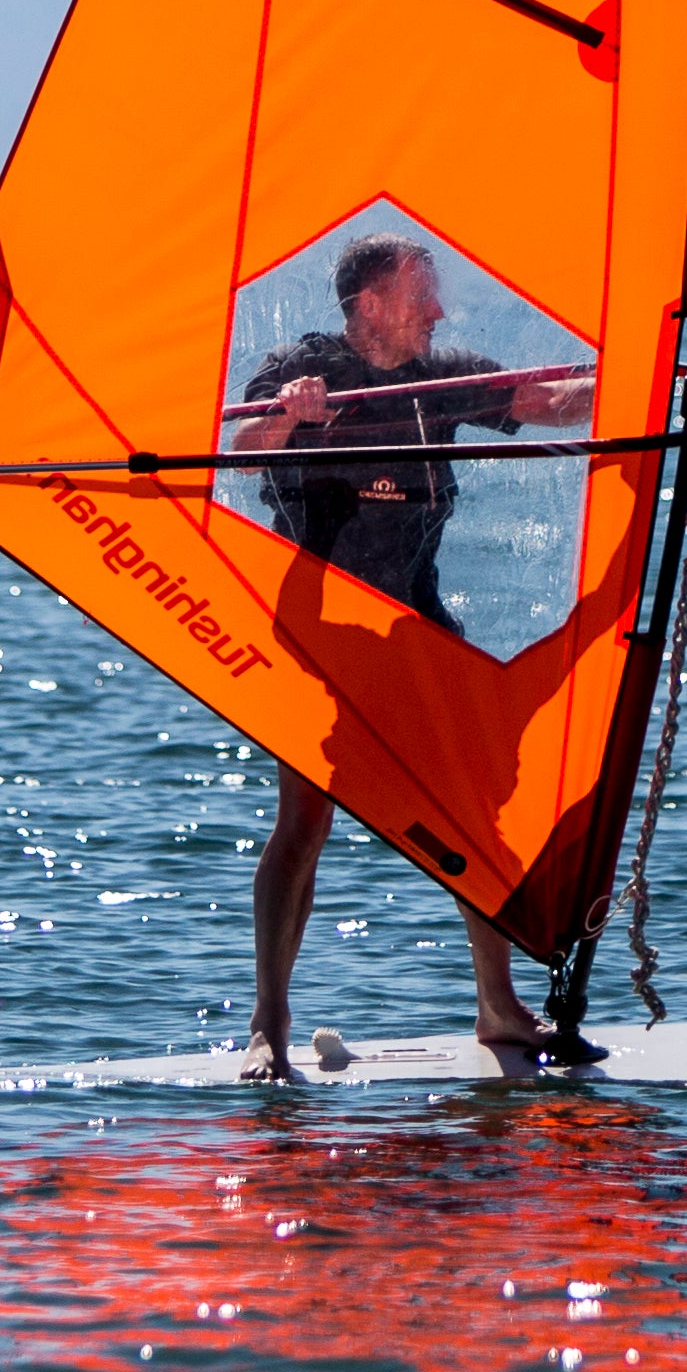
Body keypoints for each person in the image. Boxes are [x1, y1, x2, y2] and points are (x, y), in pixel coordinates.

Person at [219, 235, 589, 1072]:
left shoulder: (441, 375)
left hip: (415, 628)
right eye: (422, 294)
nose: (439, 309)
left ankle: (499, 1007)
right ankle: (267, 1026)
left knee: (476, 809)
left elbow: (556, 404)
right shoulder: (304, 368)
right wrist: (288, 413)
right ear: (370, 305)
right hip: (323, 635)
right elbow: (244, 456)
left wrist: (646, 380)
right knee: (304, 824)